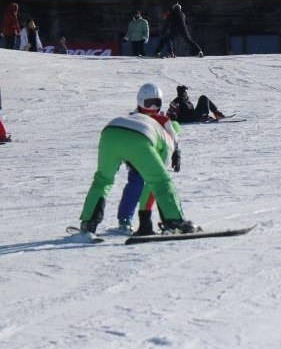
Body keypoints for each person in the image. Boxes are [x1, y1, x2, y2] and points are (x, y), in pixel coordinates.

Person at [78, 83, 195, 237]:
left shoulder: (137, 116)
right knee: (161, 181)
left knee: (102, 180)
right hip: (139, 138)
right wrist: (145, 219)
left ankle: (88, 224)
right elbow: (156, 182)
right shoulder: (167, 138)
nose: (153, 107)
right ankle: (174, 221)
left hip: (110, 132)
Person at [116, 84, 184, 234]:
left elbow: (173, 137)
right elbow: (126, 139)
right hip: (138, 161)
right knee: (134, 188)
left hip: (158, 162)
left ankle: (172, 220)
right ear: (140, 102)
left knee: (160, 189)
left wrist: (176, 153)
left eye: (157, 103)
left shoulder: (163, 120)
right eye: (149, 103)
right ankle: (124, 220)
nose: (153, 107)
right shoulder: (134, 119)